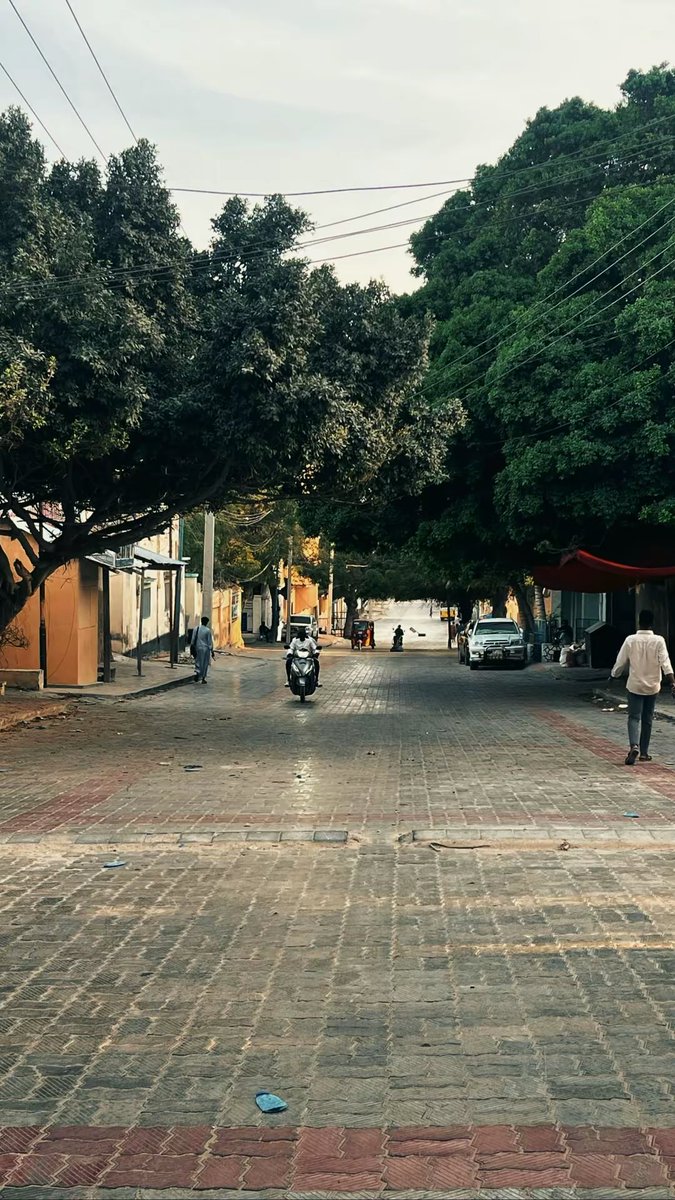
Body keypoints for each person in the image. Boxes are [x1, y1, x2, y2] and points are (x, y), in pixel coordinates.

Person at [610, 609, 675, 765]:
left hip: (635, 685)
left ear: (639, 622)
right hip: (653, 686)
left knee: (634, 717)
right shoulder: (659, 640)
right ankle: (644, 753)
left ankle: (634, 745)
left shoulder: (630, 640)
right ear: (652, 623)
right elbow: (665, 663)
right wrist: (672, 681)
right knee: (647, 719)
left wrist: (613, 675)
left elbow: (620, 662)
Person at [191, 615, 215, 684]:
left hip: (197, 647)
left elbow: (193, 639)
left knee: (198, 660)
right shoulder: (207, 631)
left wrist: (192, 646)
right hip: (205, 649)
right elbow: (209, 642)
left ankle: (197, 672)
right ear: (207, 622)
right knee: (205, 663)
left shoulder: (196, 628)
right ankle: (203, 678)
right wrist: (212, 650)